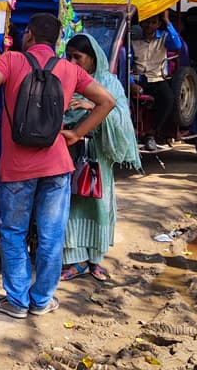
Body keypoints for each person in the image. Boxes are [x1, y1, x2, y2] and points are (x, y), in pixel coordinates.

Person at [0, 13, 115, 319]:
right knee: (51, 236)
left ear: (29, 35)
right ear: (56, 40)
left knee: (14, 233)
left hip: (16, 168)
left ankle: (16, 302)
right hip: (56, 165)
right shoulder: (69, 69)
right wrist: (77, 134)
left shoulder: (11, 60)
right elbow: (106, 101)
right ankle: (41, 301)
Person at [60, 33, 141, 282]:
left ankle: (95, 260)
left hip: (99, 153)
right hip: (72, 151)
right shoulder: (66, 81)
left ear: (93, 58)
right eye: (69, 56)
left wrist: (92, 108)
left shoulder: (109, 83)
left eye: (78, 57)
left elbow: (122, 121)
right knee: (72, 203)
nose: (73, 63)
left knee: (98, 203)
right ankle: (75, 262)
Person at [129, 10, 181, 151]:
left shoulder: (164, 38)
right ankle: (130, 131)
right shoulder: (134, 41)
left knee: (169, 99)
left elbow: (177, 45)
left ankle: (151, 134)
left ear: (158, 24)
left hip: (157, 79)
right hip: (138, 79)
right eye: (147, 22)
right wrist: (132, 84)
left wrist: (167, 21)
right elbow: (127, 64)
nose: (149, 26)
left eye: (153, 22)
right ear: (141, 23)